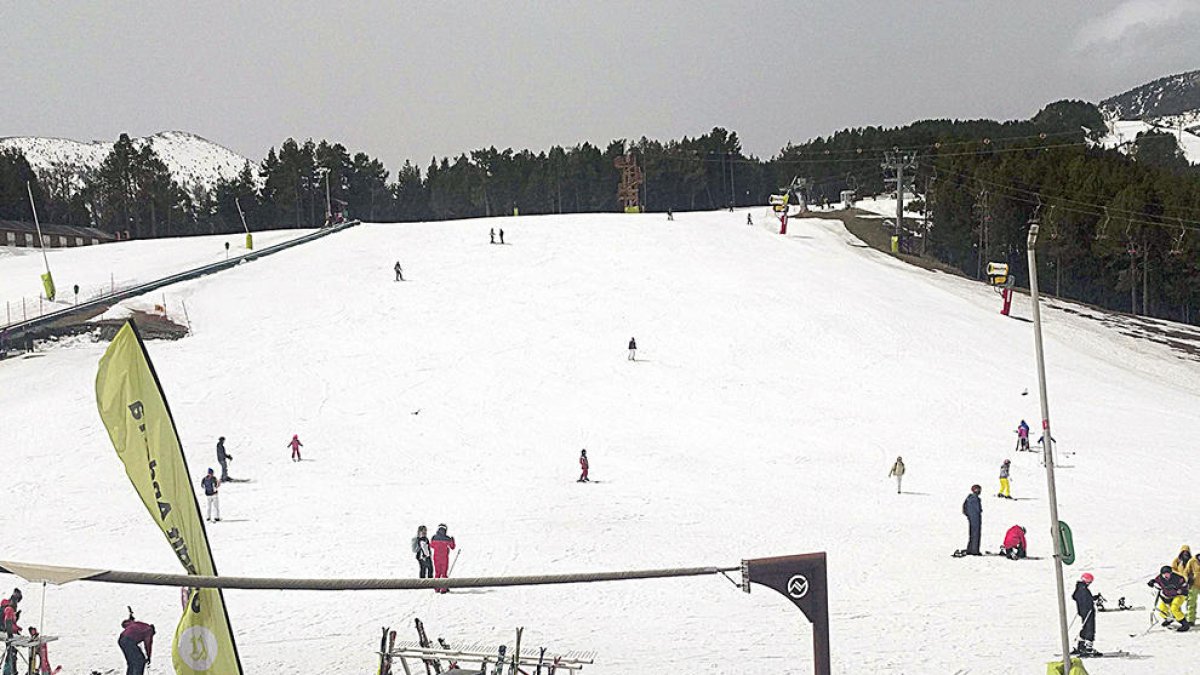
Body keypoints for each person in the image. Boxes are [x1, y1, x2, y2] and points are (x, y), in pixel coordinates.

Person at [1148, 565, 1191, 631]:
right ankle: (1169, 619)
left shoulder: (1178, 578)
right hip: (1167, 596)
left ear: (1171, 573)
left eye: (1168, 574)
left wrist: (1180, 590)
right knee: (1162, 609)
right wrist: (1152, 582)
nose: (1166, 576)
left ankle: (1184, 624)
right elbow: (1156, 581)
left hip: (1179, 595)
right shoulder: (1160, 578)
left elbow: (1185, 587)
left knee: (1174, 608)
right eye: (1164, 574)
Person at [1073, 573, 1101, 656]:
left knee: (1085, 627)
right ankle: (1088, 648)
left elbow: (1075, 596)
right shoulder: (1083, 589)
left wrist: (1093, 598)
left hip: (1083, 612)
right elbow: (1085, 600)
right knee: (1090, 628)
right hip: (1088, 612)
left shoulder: (1079, 587)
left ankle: (1081, 646)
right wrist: (1091, 602)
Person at [1172, 545, 1200, 624]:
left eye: (1187, 552)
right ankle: (1182, 617)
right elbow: (1176, 570)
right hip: (1188, 584)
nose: (1185, 553)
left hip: (1190, 583)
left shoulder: (1190, 560)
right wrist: (1186, 579)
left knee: (1188, 601)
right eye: (1183, 552)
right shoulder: (1181, 561)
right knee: (1187, 601)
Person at [430, 524, 456, 594]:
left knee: (437, 572)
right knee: (444, 572)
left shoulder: (434, 538)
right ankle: (443, 588)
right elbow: (452, 547)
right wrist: (452, 540)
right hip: (444, 558)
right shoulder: (447, 538)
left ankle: (436, 588)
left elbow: (431, 545)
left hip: (436, 557)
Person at [962, 484, 983, 556]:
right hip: (975, 519)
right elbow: (977, 509)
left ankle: (970, 548)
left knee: (972, 534)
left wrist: (968, 515)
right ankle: (974, 550)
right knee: (975, 534)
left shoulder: (969, 498)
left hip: (971, 518)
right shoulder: (975, 499)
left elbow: (964, 509)